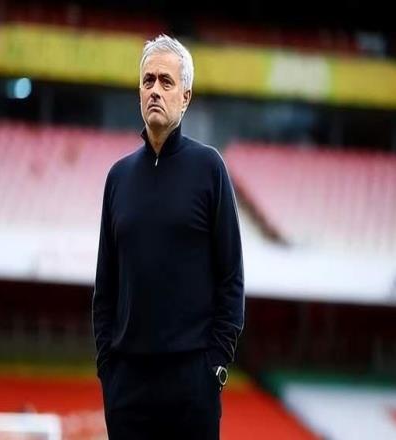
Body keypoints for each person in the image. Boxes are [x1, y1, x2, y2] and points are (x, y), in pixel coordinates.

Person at [92, 34, 245, 440]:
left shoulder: (209, 168)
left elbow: (231, 278)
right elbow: (104, 288)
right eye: (148, 81)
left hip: (192, 384)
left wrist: (214, 367)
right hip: (127, 386)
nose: (155, 90)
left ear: (185, 97)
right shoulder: (118, 177)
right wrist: (108, 369)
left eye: (166, 81)